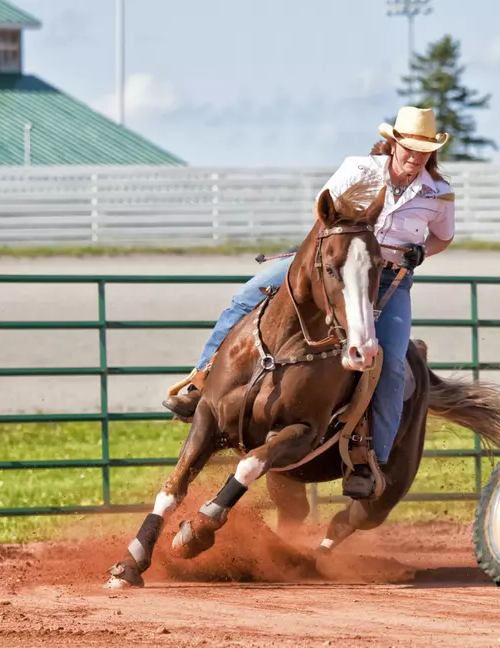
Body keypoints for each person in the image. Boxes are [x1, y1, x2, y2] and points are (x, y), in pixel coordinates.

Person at [163, 106, 456, 491]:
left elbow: (443, 236)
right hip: (332, 264)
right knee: (245, 298)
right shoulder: (359, 168)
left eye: (423, 152)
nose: (415, 158)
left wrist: (421, 252)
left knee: (393, 362)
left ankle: (371, 459)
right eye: (409, 149)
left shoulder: (438, 193)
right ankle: (201, 380)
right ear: (394, 144)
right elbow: (325, 214)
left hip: (387, 279)